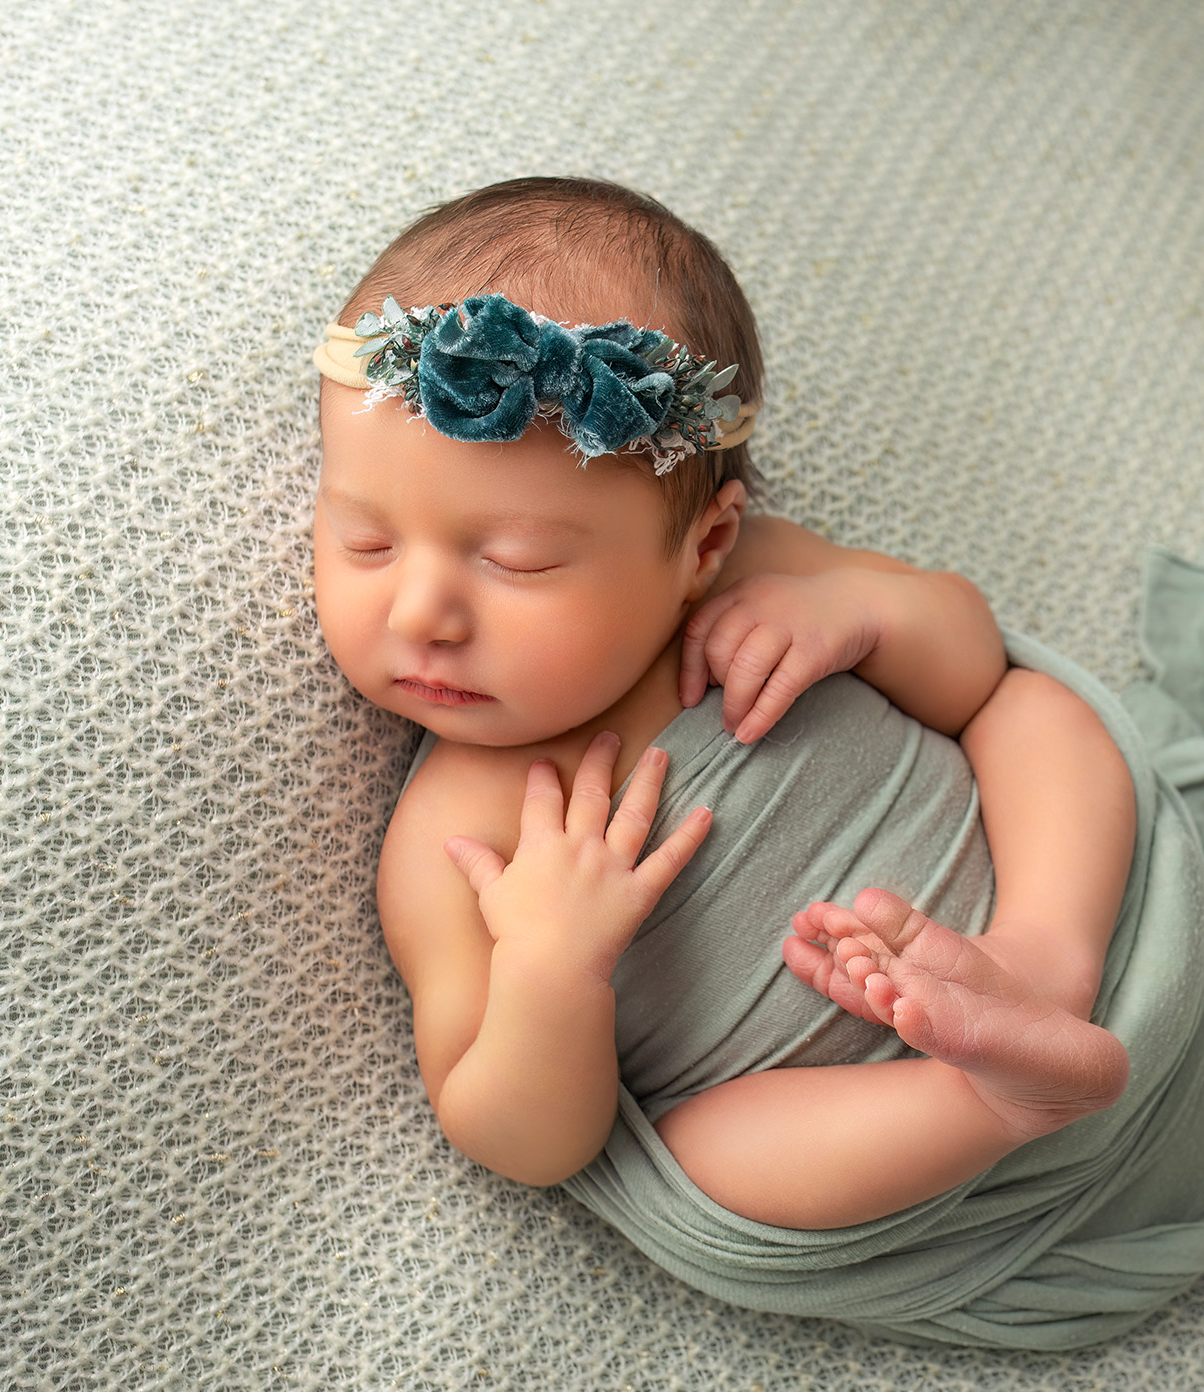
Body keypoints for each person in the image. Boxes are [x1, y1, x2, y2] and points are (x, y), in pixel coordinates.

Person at [311, 176, 1140, 1232]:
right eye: (363, 542)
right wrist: (547, 968)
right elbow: (518, 1141)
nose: (421, 611)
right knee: (708, 1163)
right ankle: (996, 1098)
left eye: (516, 562)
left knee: (1037, 715)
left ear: (699, 547)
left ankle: (1041, 966)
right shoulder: (457, 837)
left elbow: (969, 670)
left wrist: (859, 613)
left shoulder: (758, 571)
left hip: (1057, 914)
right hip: (863, 1122)